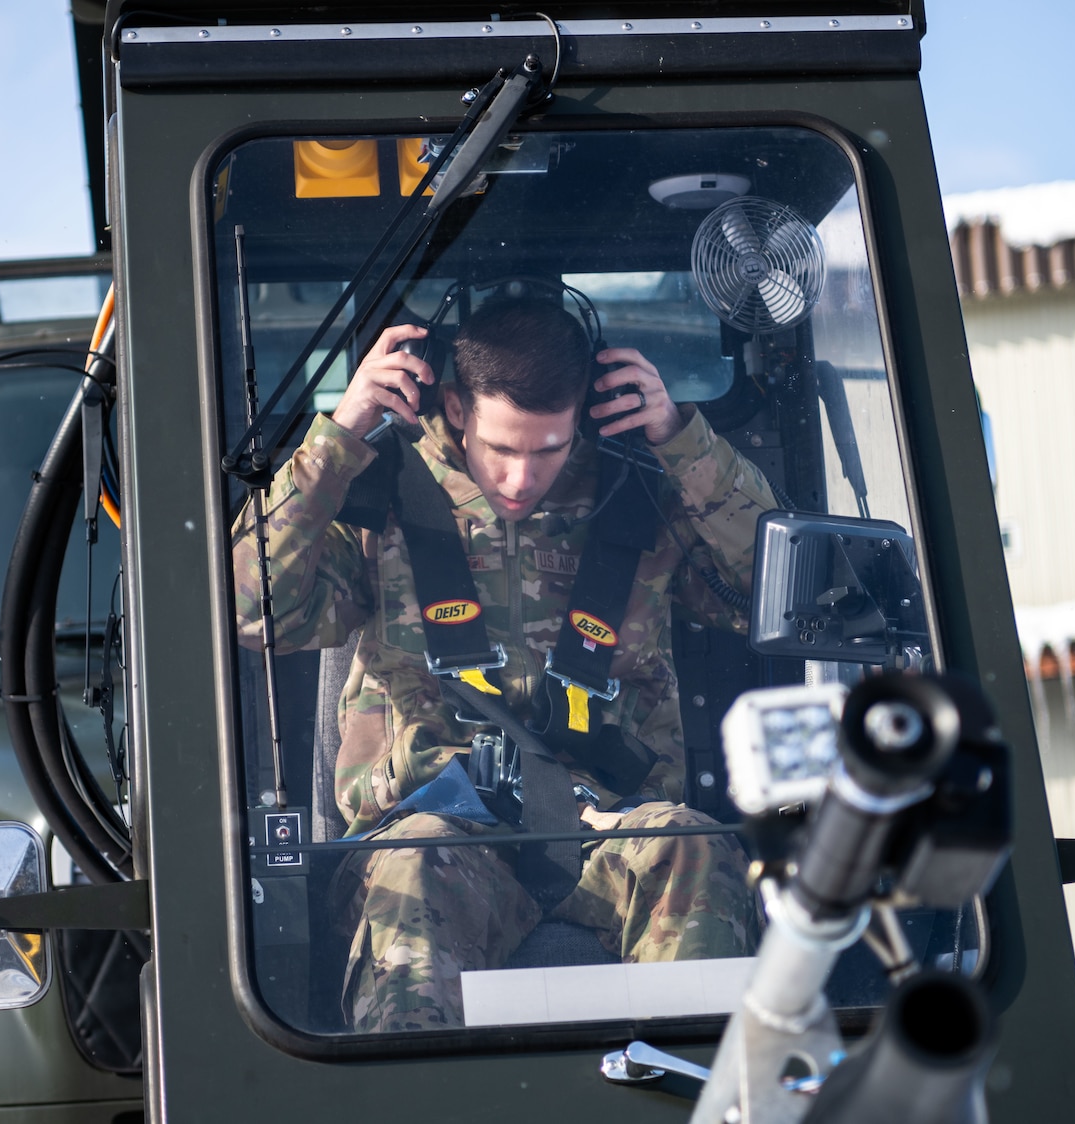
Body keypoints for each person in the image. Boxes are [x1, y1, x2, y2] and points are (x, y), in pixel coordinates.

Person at [232, 295, 778, 1032]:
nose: (522, 478)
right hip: (436, 822)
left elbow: (769, 590)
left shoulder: (637, 493)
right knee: (415, 863)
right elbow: (252, 605)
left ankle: (700, 1092)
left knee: (694, 846)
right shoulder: (383, 498)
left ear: (582, 414)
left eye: (547, 450)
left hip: (610, 819)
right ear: (456, 407)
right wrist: (341, 434)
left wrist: (684, 441)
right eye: (503, 450)